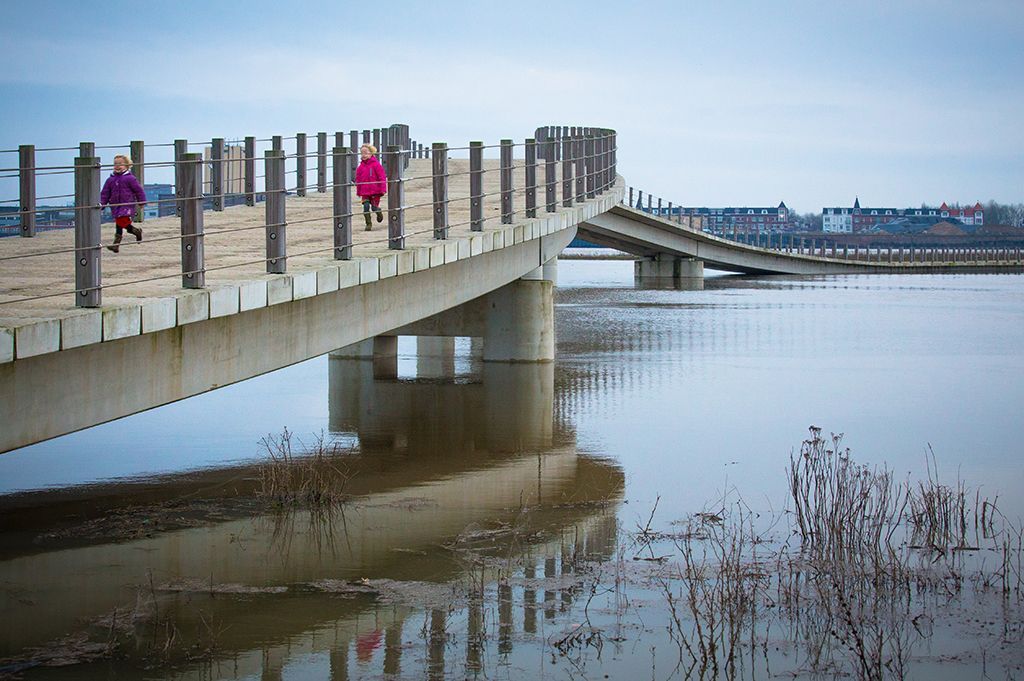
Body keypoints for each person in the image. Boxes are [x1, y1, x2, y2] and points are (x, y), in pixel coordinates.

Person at [100, 154, 146, 253]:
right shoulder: (110, 180)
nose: (117, 166)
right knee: (119, 224)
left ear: (127, 165)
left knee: (121, 222)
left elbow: (138, 190)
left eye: (120, 164)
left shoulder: (130, 178)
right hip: (115, 205)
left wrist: (141, 201)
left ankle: (120, 241)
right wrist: (101, 204)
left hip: (127, 205)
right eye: (115, 164)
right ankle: (129, 235)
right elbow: (105, 193)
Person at [355, 144, 387, 230]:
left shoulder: (376, 165)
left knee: (374, 207)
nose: (364, 155)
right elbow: (358, 180)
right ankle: (368, 224)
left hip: (375, 191)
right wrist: (358, 191)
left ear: (371, 153)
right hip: (364, 192)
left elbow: (382, 177)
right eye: (362, 153)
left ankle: (378, 212)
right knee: (365, 208)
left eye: (366, 153)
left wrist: (383, 189)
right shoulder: (360, 167)